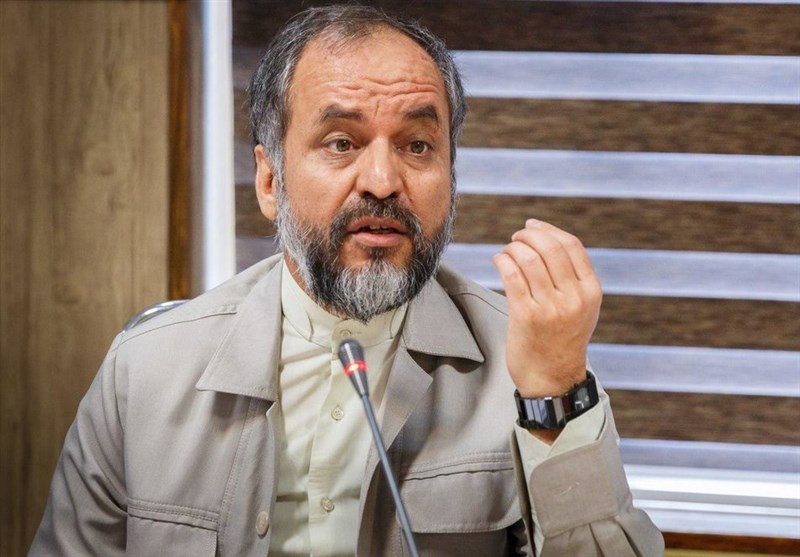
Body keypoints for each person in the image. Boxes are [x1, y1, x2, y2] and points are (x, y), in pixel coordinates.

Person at [30, 5, 663, 556]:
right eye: (340, 142)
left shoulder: (528, 364)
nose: (383, 181)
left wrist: (553, 395)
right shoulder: (145, 369)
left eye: (417, 146)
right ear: (270, 182)